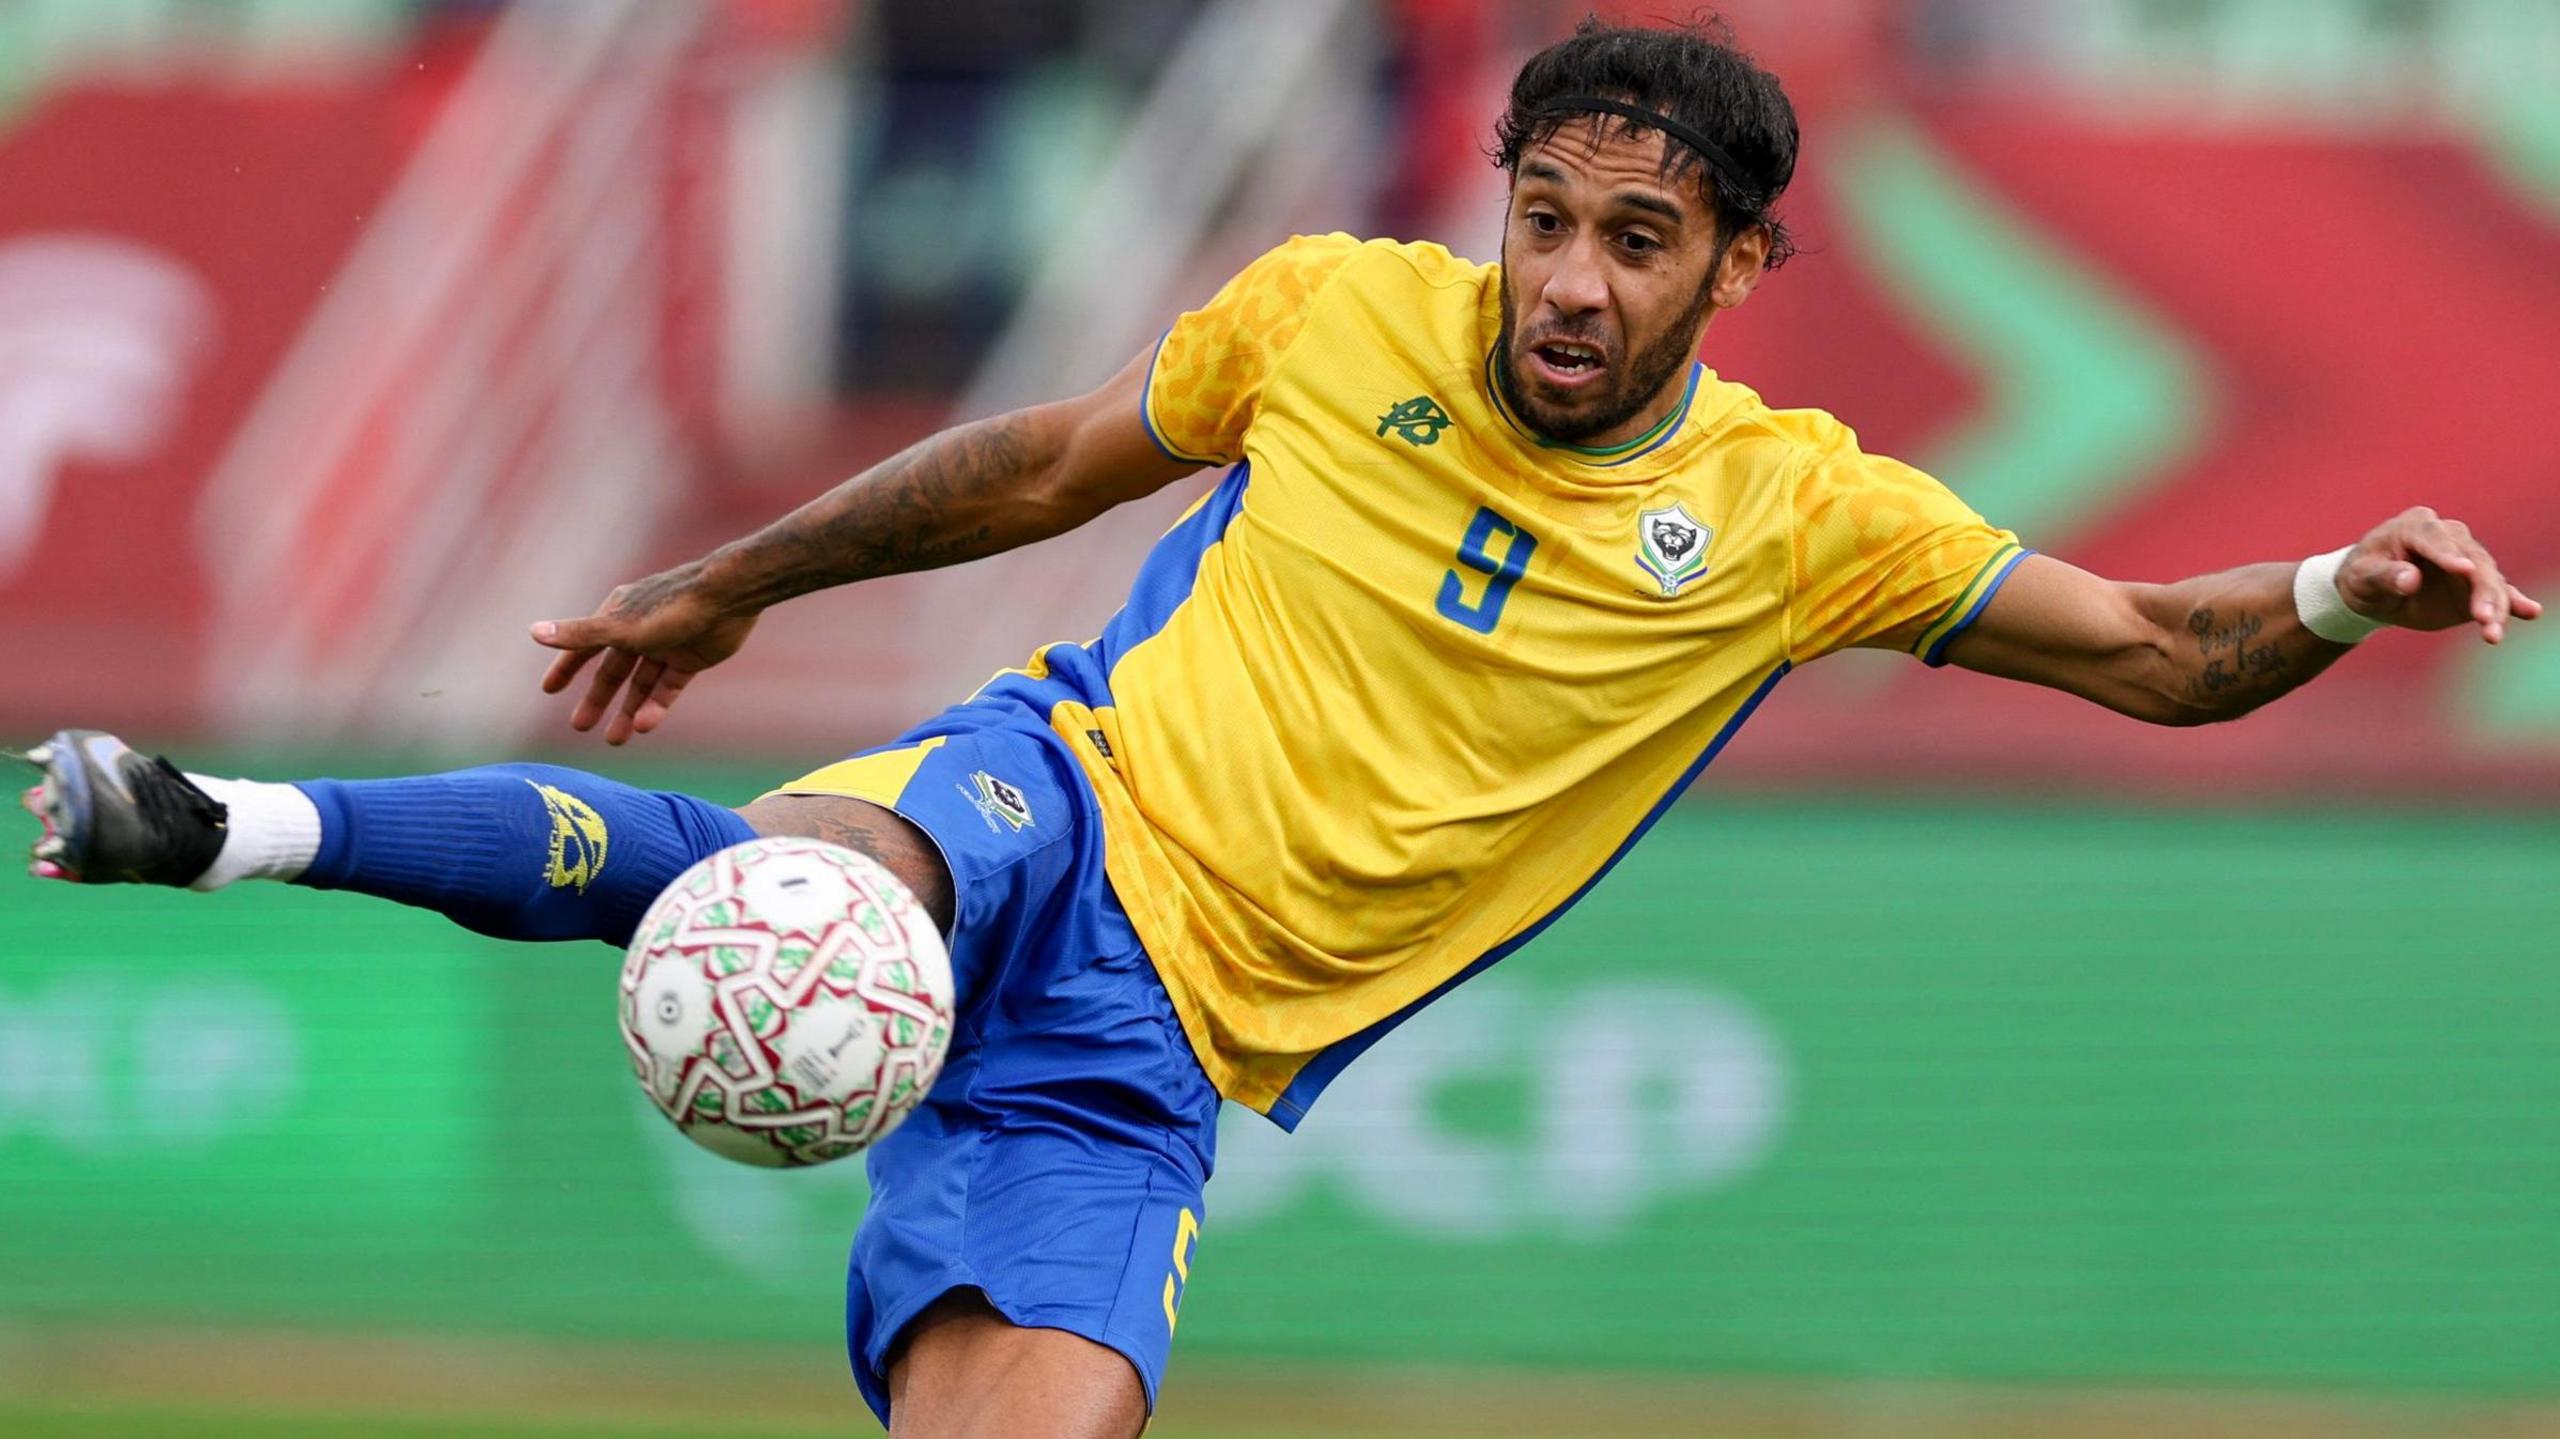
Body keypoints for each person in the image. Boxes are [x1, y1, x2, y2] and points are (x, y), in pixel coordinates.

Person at [15, 16, 2538, 1439]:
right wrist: (745, 568)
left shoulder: (1798, 519)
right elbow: (1034, 461)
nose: (1560, 278)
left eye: (1630, 239)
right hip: (1051, 797)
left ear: (1740, 266)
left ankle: (267, 825)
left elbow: (2163, 658)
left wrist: (2331, 582)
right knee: (808, 889)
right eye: (1541, 212)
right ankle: (220, 822)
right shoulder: (1337, 313)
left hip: (1164, 1055)